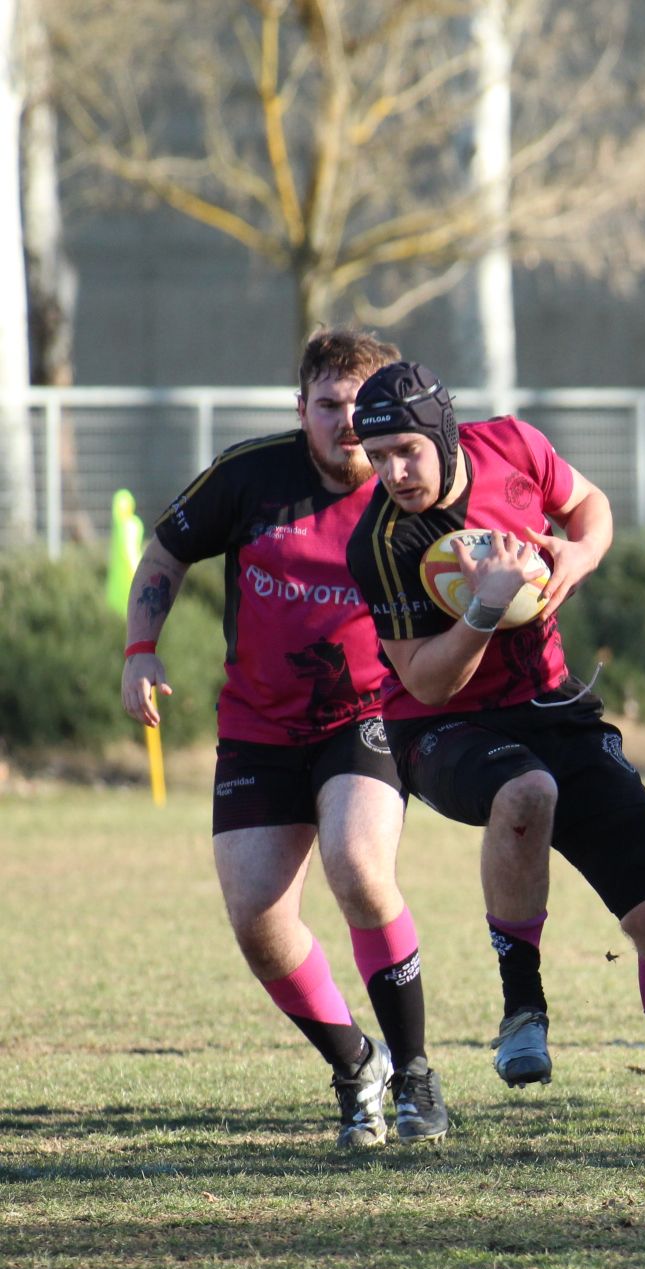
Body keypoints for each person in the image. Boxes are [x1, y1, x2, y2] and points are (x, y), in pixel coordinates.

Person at [343, 362, 645, 1159]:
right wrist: (486, 605)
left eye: (406, 452)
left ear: (443, 434)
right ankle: (522, 1006)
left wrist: (579, 556)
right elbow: (427, 680)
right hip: (444, 729)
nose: (392, 473)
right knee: (525, 790)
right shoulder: (383, 542)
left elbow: (591, 506)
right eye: (378, 455)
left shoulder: (516, 446)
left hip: (555, 706)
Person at [120, 328, 448, 1150]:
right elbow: (166, 548)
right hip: (259, 728)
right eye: (328, 405)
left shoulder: (413, 488)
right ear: (299, 407)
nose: (347, 423)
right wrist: (140, 649)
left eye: (361, 407)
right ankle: (356, 1064)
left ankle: (413, 1075)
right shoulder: (249, 475)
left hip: (366, 716)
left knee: (358, 865)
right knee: (258, 922)